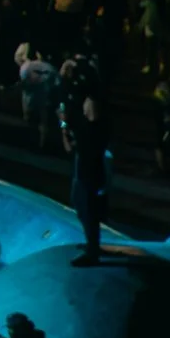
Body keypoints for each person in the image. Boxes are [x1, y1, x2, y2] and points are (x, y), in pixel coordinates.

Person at [61, 80, 110, 265]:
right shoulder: (92, 126)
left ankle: (93, 250)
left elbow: (70, 147)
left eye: (87, 104)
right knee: (81, 208)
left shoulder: (93, 130)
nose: (84, 107)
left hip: (88, 175)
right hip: (83, 173)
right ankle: (92, 244)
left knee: (89, 212)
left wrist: (63, 125)